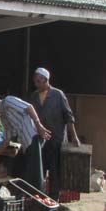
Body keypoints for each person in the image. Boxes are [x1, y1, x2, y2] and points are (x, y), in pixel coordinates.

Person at [0, 93, 51, 192]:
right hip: (25, 144)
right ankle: (21, 195)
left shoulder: (8, 101)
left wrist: (38, 125)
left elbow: (29, 107)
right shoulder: (3, 117)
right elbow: (7, 140)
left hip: (33, 137)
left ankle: (37, 198)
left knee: (34, 175)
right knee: (17, 170)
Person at [29, 67, 80, 200]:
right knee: (40, 169)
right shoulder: (34, 96)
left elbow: (68, 116)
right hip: (40, 139)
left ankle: (54, 198)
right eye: (35, 81)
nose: (37, 84)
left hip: (56, 138)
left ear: (46, 80)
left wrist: (73, 136)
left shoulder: (58, 95)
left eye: (40, 81)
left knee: (55, 170)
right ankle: (40, 198)